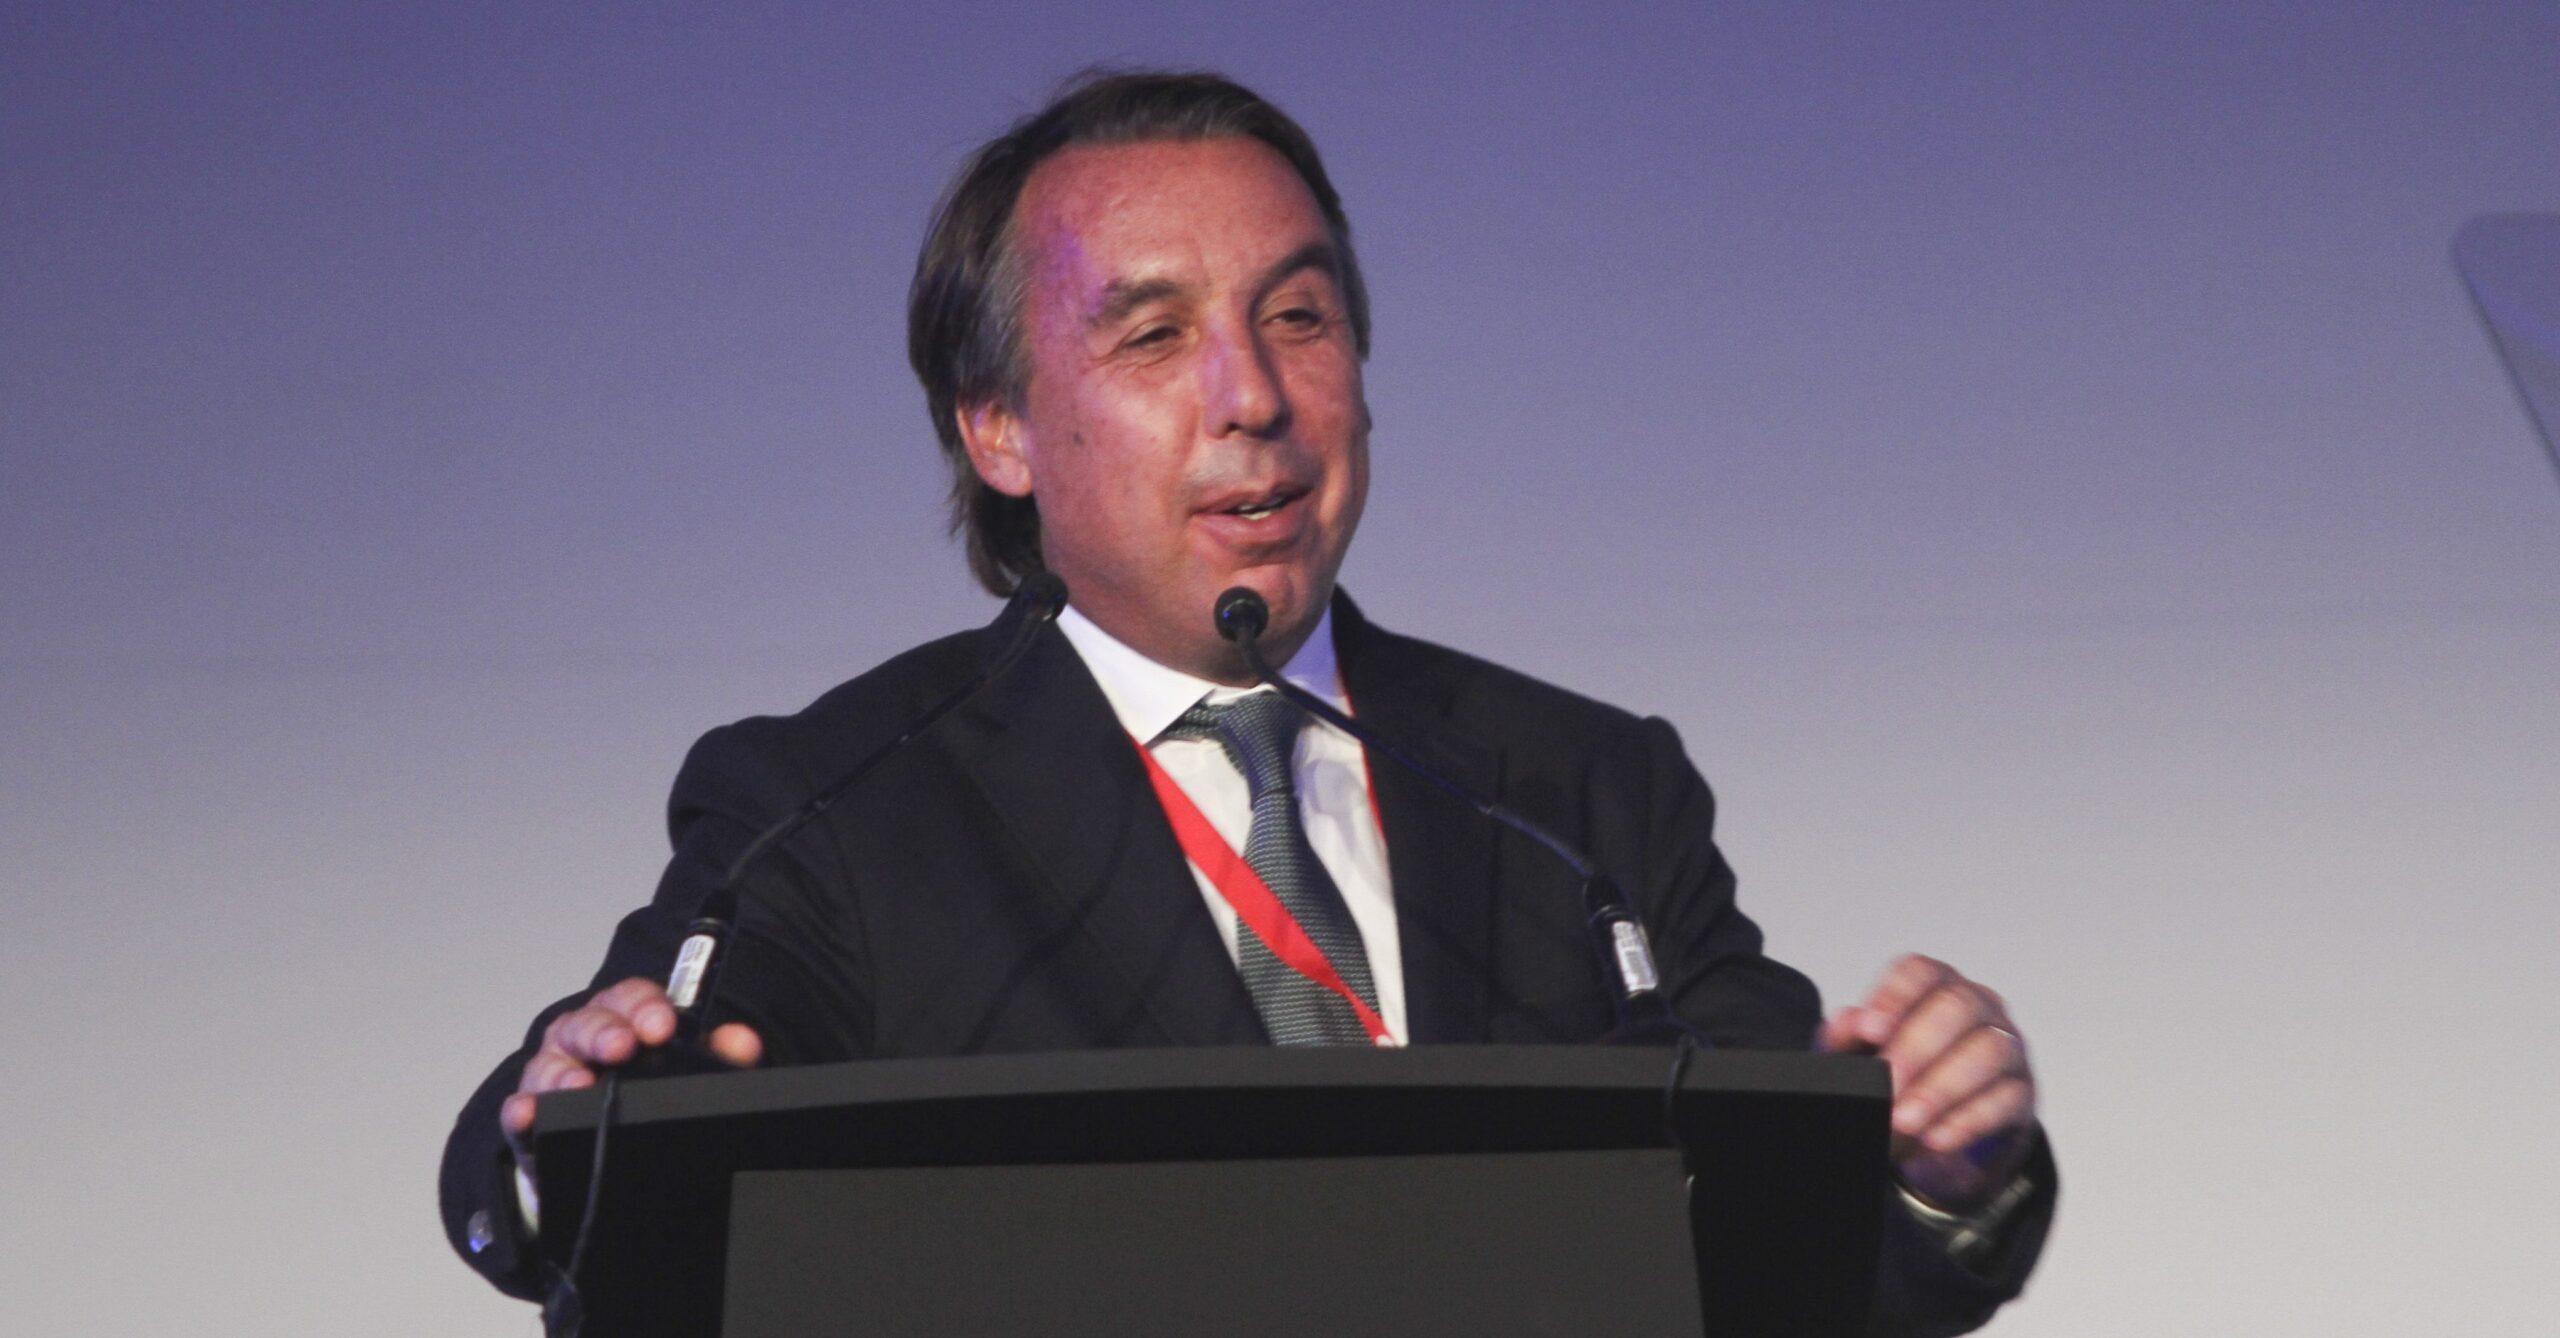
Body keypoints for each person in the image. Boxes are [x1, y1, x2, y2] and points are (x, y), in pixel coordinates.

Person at [440, 70, 2055, 1333]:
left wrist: (1932, 1165)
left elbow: (1798, 1229)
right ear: (998, 427)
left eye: (1298, 315)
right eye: (1155, 335)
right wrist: (566, 1131)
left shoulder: (1578, 790)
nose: (1255, 396)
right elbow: (566, 1169)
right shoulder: (838, 810)